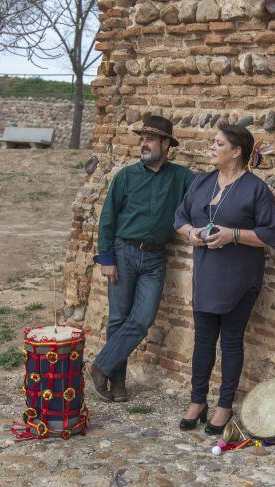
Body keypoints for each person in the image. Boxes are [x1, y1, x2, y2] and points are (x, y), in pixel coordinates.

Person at [174, 124, 275, 434]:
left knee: (231, 342)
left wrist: (232, 235)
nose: (211, 147)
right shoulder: (201, 181)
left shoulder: (256, 189)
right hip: (206, 275)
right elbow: (180, 217)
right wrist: (191, 232)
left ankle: (223, 405)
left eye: (217, 143)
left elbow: (269, 235)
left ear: (236, 152)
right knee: (203, 341)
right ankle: (197, 401)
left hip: (239, 279)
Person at [87, 115, 195, 402]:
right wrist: (107, 258)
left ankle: (101, 366)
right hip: (123, 253)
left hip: (156, 259)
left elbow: (205, 192)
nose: (143, 144)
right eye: (142, 139)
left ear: (165, 145)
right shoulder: (126, 176)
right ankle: (118, 382)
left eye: (150, 139)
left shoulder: (182, 177)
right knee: (119, 318)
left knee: (143, 318)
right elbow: (107, 219)